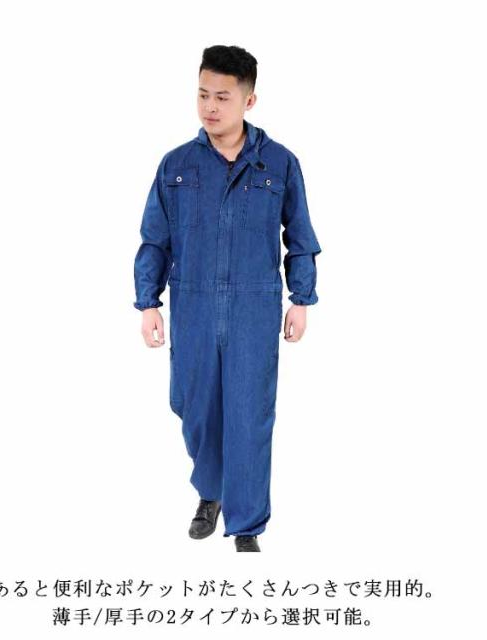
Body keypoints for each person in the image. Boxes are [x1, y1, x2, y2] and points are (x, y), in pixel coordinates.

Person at [133, 45, 322, 552]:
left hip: (253, 308)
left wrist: (301, 299)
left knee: (248, 416)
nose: (210, 107)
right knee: (195, 410)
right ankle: (211, 492)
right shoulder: (176, 164)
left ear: (248, 100)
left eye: (222, 97)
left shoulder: (279, 163)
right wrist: (148, 303)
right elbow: (155, 240)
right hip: (192, 304)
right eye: (202, 95)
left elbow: (300, 238)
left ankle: (246, 525)